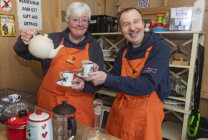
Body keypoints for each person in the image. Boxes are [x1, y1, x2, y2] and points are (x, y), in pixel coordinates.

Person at [13, 2, 104, 127]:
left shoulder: (94, 47)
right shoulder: (53, 40)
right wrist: (23, 41)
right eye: (75, 19)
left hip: (80, 108)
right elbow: (24, 53)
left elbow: (100, 81)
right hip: (49, 104)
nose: (80, 24)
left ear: (88, 23)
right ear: (67, 20)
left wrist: (86, 86)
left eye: (84, 20)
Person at [85, 8, 171, 139]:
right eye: (126, 24)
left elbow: (146, 85)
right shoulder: (124, 51)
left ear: (143, 24)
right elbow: (114, 76)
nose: (132, 28)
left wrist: (106, 78)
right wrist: (98, 73)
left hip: (147, 115)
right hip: (121, 112)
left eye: (136, 21)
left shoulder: (160, 48)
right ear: (121, 30)